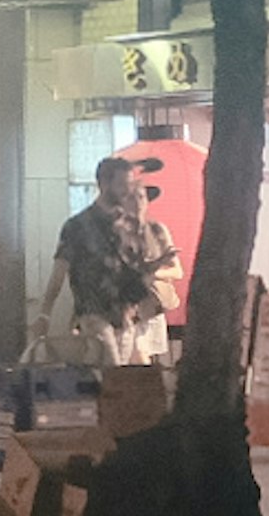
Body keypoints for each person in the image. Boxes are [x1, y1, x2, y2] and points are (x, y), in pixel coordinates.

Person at [41, 153, 178, 367]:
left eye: (130, 184)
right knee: (111, 367)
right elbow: (59, 271)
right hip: (93, 312)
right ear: (104, 184)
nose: (128, 190)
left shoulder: (132, 225)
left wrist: (157, 266)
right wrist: (44, 313)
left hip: (126, 314)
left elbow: (137, 270)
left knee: (120, 380)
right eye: (123, 184)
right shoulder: (77, 226)